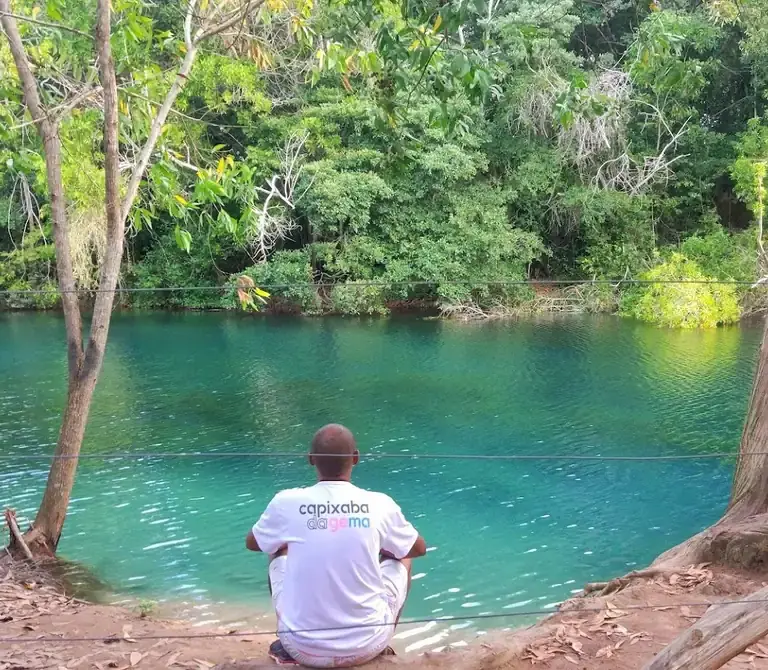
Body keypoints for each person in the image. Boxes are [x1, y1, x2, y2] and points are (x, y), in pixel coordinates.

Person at [246, 424, 427, 668]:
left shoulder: (286, 501)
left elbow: (254, 543)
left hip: (300, 648)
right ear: (356, 458)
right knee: (402, 555)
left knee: (276, 547)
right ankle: (382, 642)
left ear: (310, 459)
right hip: (366, 647)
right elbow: (418, 548)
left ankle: (290, 635)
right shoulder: (380, 503)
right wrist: (379, 547)